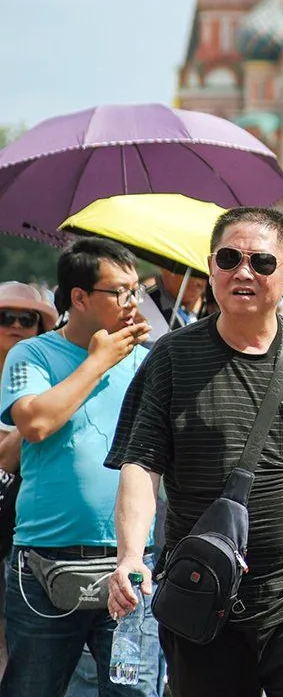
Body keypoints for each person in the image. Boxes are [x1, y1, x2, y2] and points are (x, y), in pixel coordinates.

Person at [106, 207, 283, 696]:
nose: (244, 272)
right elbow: (141, 465)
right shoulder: (172, 357)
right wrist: (131, 554)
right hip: (201, 594)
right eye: (229, 258)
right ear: (211, 267)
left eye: (261, 261)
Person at [0, 240, 157, 697]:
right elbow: (36, 422)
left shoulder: (146, 360)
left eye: (136, 291)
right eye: (119, 292)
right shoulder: (32, 355)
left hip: (130, 563)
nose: (132, 303)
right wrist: (98, 361)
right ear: (79, 298)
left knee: (133, 690)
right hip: (46, 563)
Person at [0, 280, 57, 678]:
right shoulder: (55, 389)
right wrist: (36, 417)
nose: (17, 325)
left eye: (28, 318)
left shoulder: (49, 378)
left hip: (27, 524)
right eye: (5, 317)